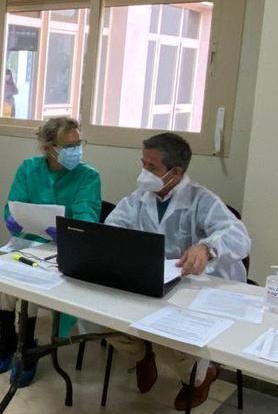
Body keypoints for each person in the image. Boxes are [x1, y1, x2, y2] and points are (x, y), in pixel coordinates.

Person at [103, 132, 250, 411]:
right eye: (143, 163)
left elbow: (239, 236)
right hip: (146, 282)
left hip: (190, 287)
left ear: (176, 172)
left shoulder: (201, 199)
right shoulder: (138, 199)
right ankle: (140, 356)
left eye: (152, 167)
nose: (143, 173)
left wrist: (206, 249)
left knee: (168, 338)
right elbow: (111, 231)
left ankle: (199, 377)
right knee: (100, 321)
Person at [0, 117, 100, 387]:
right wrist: (12, 217)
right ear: (49, 147)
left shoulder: (88, 176)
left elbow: (88, 217)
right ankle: (7, 338)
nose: (76, 150)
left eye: (78, 143)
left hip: (65, 247)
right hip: (26, 240)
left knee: (34, 281)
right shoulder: (29, 168)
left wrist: (68, 231)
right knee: (6, 274)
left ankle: (28, 346)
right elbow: (12, 205)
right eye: (68, 145)